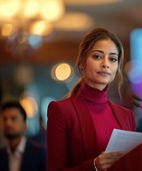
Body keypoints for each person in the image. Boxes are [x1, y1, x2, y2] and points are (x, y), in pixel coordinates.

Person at [47, 27, 136, 171]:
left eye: (112, 59)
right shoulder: (61, 110)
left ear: (116, 68)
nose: (106, 64)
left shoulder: (127, 116)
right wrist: (94, 166)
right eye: (97, 56)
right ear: (82, 63)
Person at [0, 101, 46, 171]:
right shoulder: (1, 155)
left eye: (13, 118)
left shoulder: (39, 153)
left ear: (25, 124)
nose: (8, 123)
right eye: (4, 119)